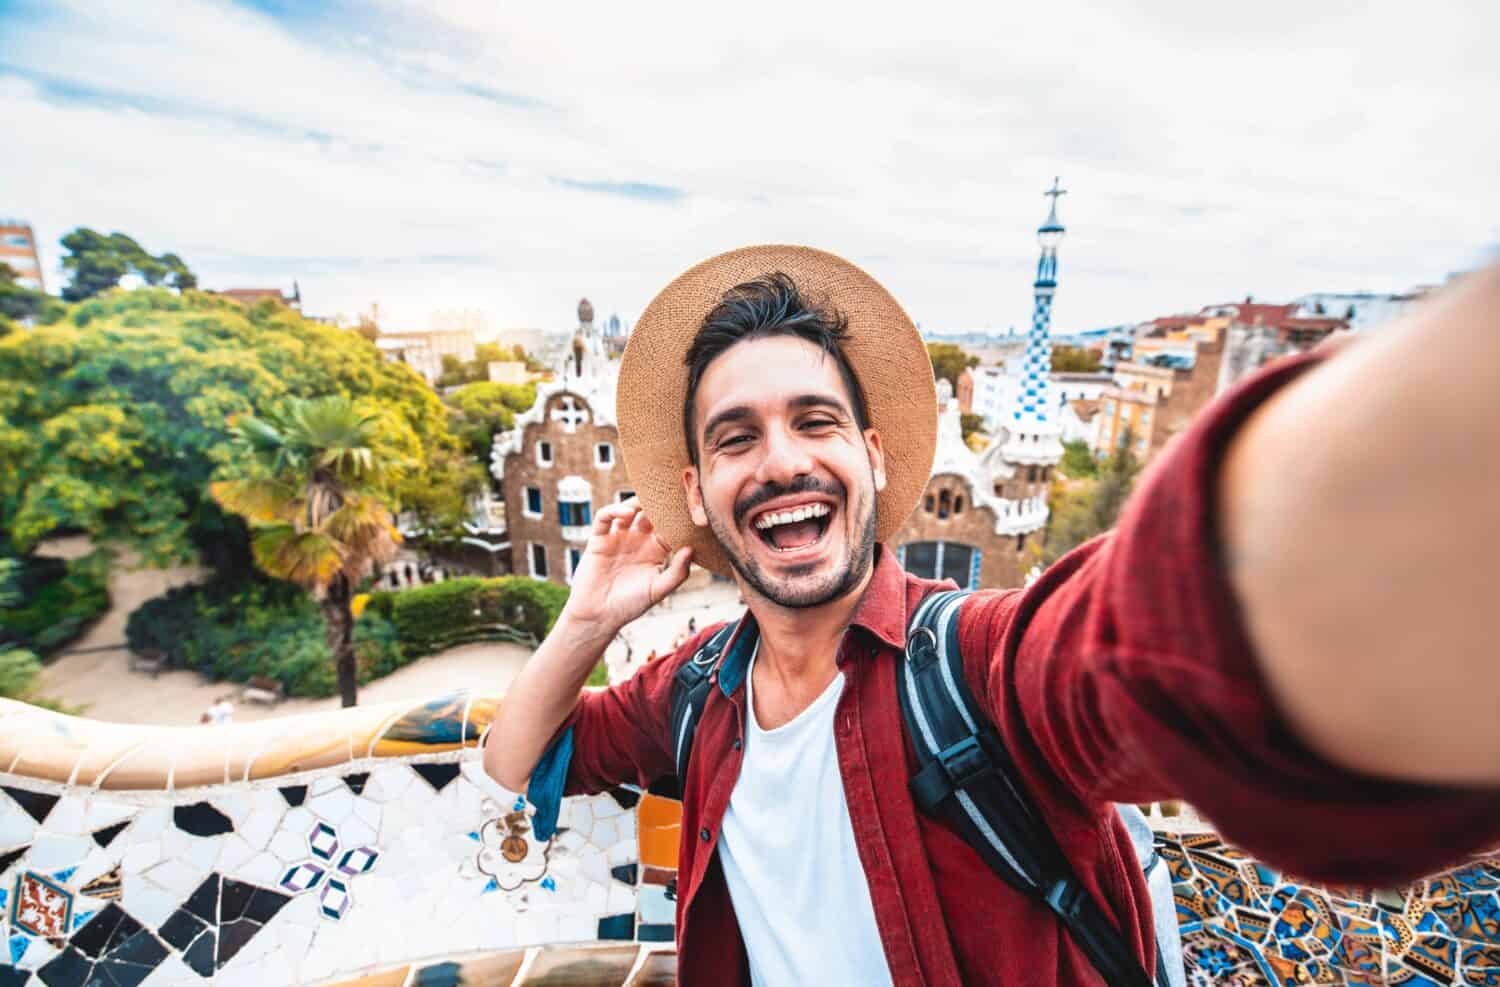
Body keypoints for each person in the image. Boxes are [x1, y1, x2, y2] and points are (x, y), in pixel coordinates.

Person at [484, 246, 1500, 986]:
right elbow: (515, 769)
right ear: (699, 493)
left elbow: (1160, 633)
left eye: (816, 421)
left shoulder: (977, 665)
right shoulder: (699, 691)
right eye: (737, 437)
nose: (784, 461)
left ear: (874, 459)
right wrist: (586, 619)